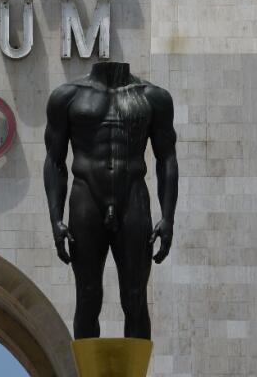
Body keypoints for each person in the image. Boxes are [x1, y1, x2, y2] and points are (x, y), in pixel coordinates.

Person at [43, 61, 178, 339]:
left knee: (135, 298)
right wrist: (55, 219)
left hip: (133, 197)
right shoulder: (67, 96)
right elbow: (55, 162)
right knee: (88, 297)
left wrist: (168, 218)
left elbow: (167, 159)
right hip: (86, 198)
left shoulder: (153, 97)